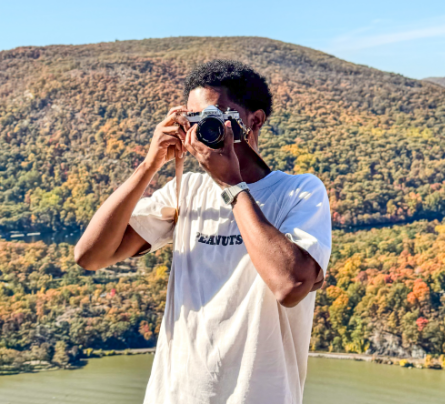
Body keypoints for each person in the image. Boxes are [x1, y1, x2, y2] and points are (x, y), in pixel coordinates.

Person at [74, 59, 332, 404]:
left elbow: (290, 284)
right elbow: (90, 256)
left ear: (253, 121)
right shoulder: (188, 190)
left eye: (214, 117)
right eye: (193, 120)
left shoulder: (299, 192)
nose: (202, 131)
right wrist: (150, 164)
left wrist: (230, 183)